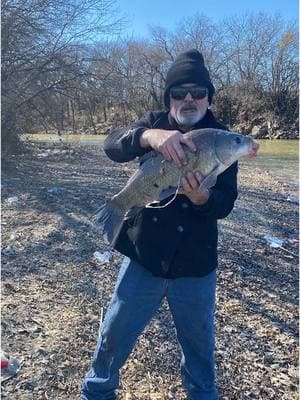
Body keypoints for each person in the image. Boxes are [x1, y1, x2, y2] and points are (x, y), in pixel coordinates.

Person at [81, 49, 238, 400]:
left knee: (200, 346)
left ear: (209, 97)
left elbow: (225, 202)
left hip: (196, 265)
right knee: (114, 333)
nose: (188, 99)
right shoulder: (153, 122)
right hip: (143, 256)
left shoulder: (224, 139)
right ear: (168, 98)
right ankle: (97, 391)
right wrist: (149, 137)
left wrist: (202, 199)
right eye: (179, 93)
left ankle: (202, 394)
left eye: (198, 92)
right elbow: (111, 143)